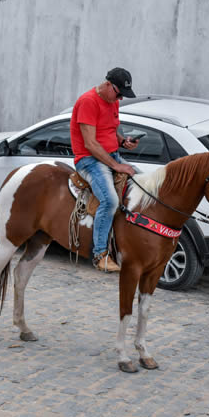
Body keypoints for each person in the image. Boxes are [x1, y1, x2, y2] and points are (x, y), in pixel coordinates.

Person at [71, 67, 139, 272]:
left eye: (122, 96)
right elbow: (90, 144)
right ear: (108, 84)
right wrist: (116, 165)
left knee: (141, 185)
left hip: (111, 155)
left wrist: (123, 141)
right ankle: (100, 254)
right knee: (109, 200)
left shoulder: (112, 101)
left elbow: (109, 129)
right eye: (118, 93)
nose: (120, 98)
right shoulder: (88, 102)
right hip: (90, 161)